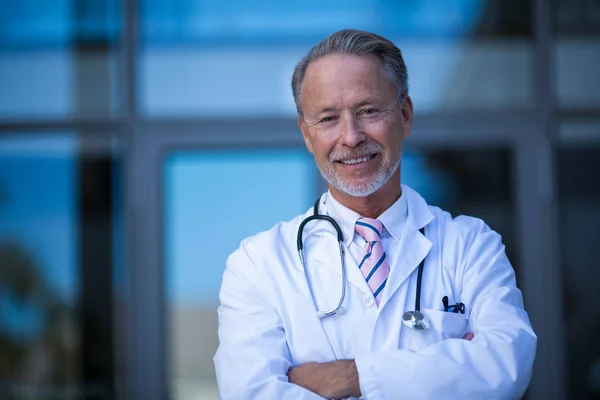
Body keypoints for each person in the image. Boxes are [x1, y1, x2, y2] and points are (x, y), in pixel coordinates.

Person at [213, 29, 537, 399]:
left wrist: (351, 377)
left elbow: (506, 367)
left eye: (368, 111)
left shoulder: (471, 246)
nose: (350, 137)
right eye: (328, 118)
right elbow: (251, 394)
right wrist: (448, 370)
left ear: (405, 114)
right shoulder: (258, 265)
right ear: (306, 134)